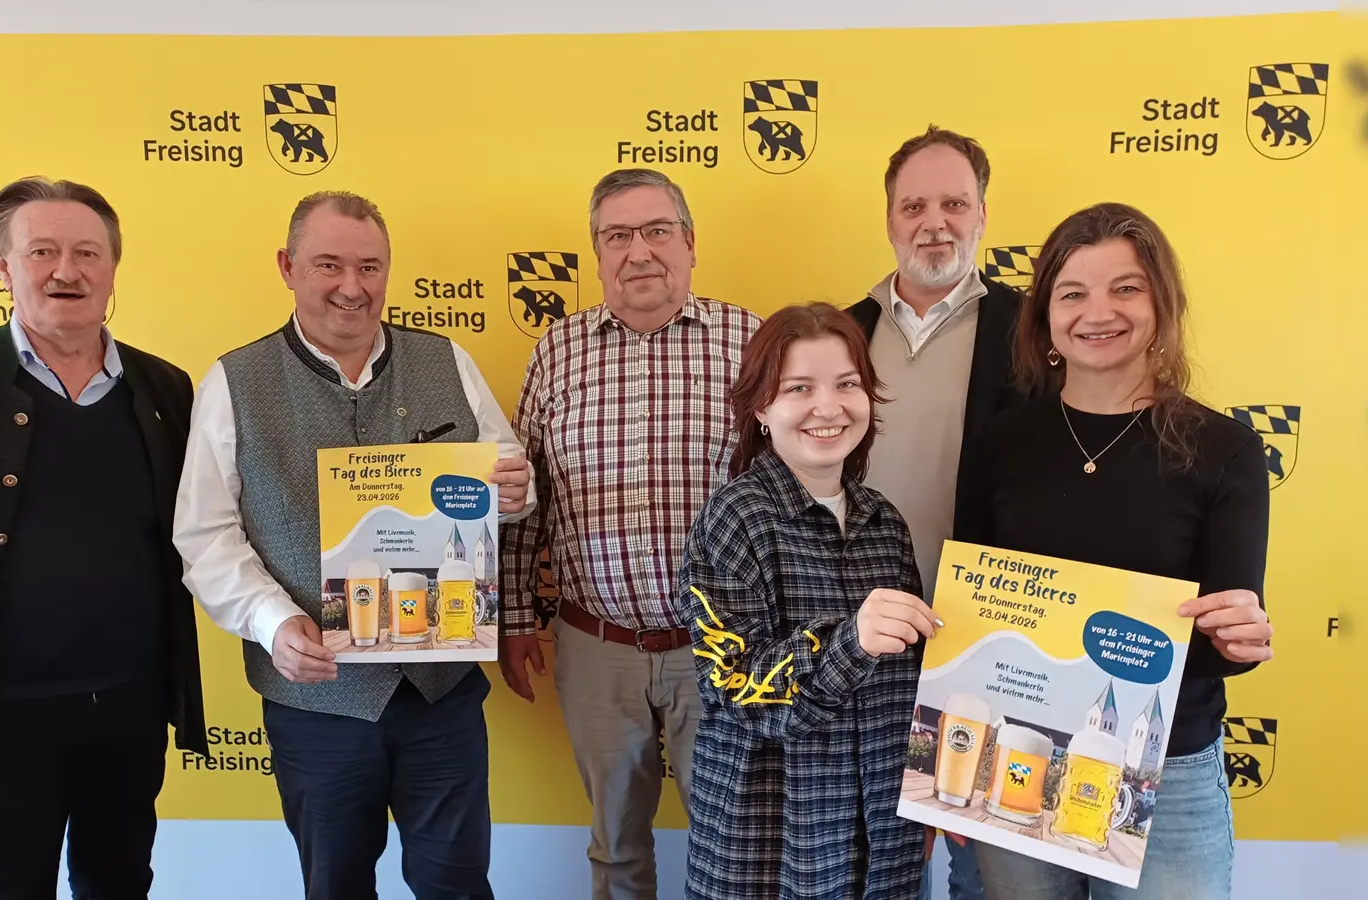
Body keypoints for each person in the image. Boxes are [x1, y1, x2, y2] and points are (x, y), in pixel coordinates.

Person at [173, 190, 534, 900]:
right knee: (336, 887)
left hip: (442, 695)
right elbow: (205, 535)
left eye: (370, 267)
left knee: (459, 885)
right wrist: (272, 623)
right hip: (319, 702)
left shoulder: (447, 361)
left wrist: (518, 496)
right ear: (287, 267)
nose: (351, 286)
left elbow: (509, 482)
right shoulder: (234, 382)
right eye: (328, 265)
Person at [0, 176, 209, 898]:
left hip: (129, 706)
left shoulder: (166, 390)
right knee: (8, 886)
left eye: (88, 251)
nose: (68, 270)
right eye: (43, 251)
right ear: (3, 265)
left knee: (121, 881)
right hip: (0, 712)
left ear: (113, 266)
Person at [955, 202, 1274, 900]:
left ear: (1161, 302)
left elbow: (1226, 646)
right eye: (1073, 293)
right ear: (1044, 319)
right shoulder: (1000, 445)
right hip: (1020, 750)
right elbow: (972, 612)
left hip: (1169, 766)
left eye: (1125, 288)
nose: (1098, 311)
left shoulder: (1225, 451)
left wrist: (1240, 637)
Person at [498, 168, 761, 900]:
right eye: (617, 236)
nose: (638, 251)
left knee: (734, 847)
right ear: (597, 253)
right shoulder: (557, 350)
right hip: (597, 645)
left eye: (656, 231)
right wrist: (517, 620)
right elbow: (527, 500)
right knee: (615, 850)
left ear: (690, 244)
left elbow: (788, 493)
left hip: (718, 648)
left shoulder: (750, 341)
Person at [676, 301, 934, 900]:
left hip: (881, 824)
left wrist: (928, 794)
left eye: (848, 384)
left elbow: (915, 685)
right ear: (762, 408)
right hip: (769, 826)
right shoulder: (734, 518)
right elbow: (734, 685)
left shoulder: (884, 523)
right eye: (799, 388)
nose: (829, 407)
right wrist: (851, 643)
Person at [845, 125, 1026, 900]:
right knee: (881, 860)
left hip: (989, 638)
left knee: (986, 866)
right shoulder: (844, 330)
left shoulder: (1037, 330)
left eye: (954, 203)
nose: (934, 222)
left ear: (983, 213)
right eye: (914, 205)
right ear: (888, 219)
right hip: (866, 640)